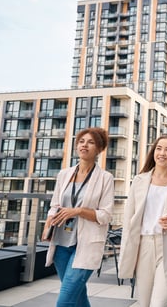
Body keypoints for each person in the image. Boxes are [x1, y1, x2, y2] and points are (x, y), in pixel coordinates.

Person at [118, 135, 167, 307]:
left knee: (159, 304)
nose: (162, 153)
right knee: (144, 303)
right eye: (159, 148)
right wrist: (127, 251)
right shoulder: (139, 180)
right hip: (143, 246)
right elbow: (129, 220)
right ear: (153, 152)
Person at [42, 127, 114, 307]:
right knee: (78, 295)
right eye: (81, 141)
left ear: (99, 149)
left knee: (65, 299)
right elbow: (55, 205)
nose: (85, 145)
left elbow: (105, 215)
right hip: (61, 243)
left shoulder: (105, 178)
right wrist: (48, 221)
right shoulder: (64, 174)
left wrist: (78, 211)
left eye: (91, 142)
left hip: (86, 244)